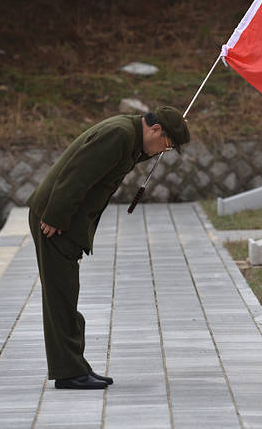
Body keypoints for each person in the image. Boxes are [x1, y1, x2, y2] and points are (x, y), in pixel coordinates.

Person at [27, 106, 190, 389]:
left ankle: (73, 368)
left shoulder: (128, 135)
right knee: (61, 296)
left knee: (65, 293)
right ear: (155, 129)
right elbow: (76, 175)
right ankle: (69, 372)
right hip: (54, 221)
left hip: (63, 220)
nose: (163, 151)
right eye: (166, 144)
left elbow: (117, 162)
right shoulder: (119, 135)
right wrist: (55, 216)